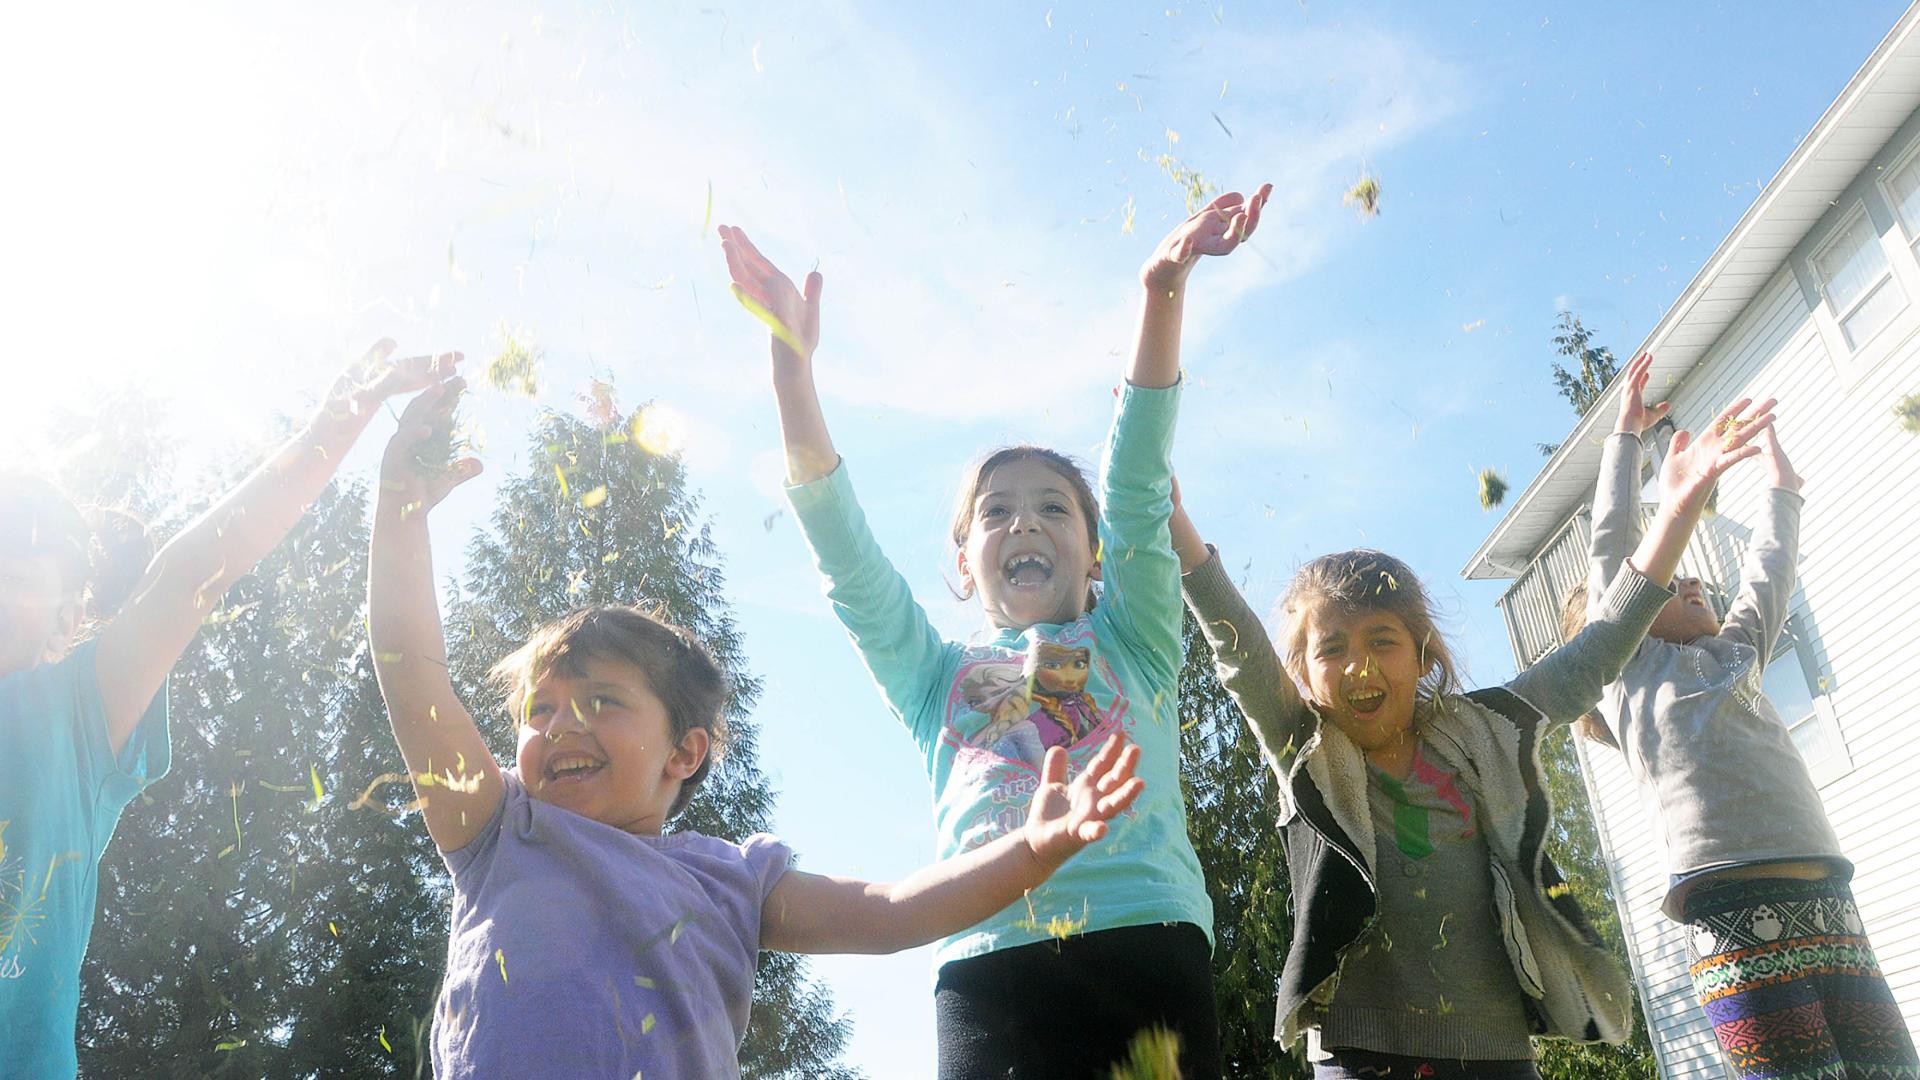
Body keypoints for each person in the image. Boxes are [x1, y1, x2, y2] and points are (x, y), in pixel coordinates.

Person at [368, 375, 1147, 1079]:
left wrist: (1031, 851)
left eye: (602, 700)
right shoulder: (499, 829)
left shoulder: (730, 882)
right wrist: (400, 513)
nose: (562, 724)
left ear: (686, 750)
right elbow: (413, 673)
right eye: (539, 709)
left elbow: (889, 910)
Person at [0, 341, 459, 1076]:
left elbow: (191, 572)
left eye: (10, 576)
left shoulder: (68, 719)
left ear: (63, 625)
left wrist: (331, 428)